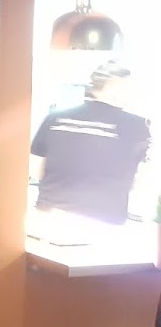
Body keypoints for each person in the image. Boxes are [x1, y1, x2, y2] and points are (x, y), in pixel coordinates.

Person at [29, 60, 151, 235]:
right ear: (115, 86)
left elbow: (36, 169)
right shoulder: (137, 126)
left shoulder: (54, 118)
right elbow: (141, 181)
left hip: (47, 218)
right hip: (102, 224)